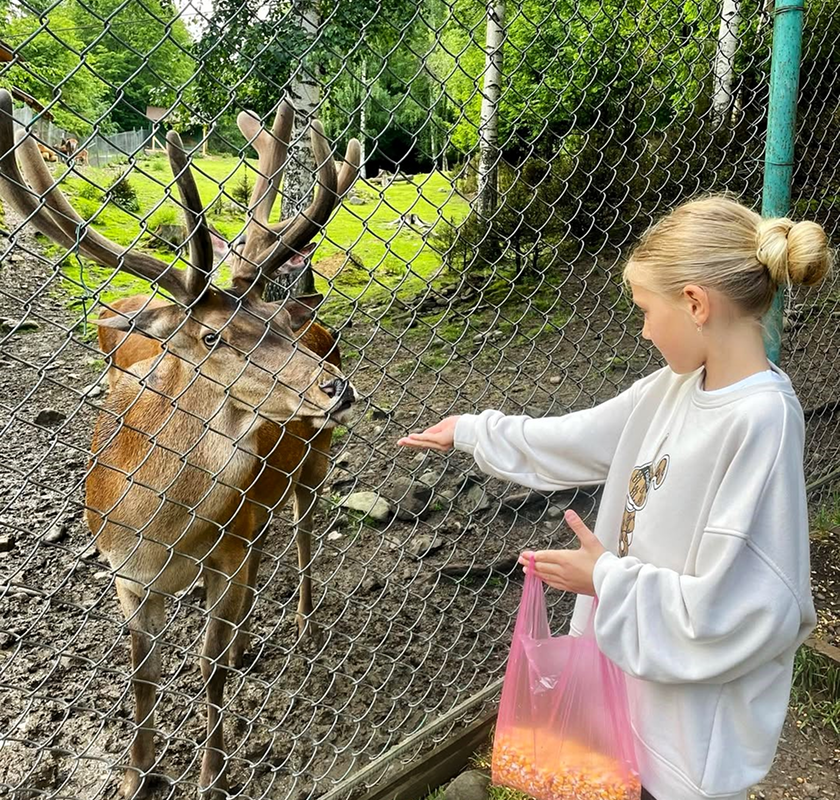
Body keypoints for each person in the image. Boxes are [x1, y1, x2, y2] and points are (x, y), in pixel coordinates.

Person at [397, 195, 832, 800]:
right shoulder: (673, 387)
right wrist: (471, 431)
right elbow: (578, 437)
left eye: (645, 310)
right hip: (634, 713)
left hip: (689, 750)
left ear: (696, 304)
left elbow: (751, 608)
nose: (644, 328)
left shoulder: (760, 421)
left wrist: (606, 578)